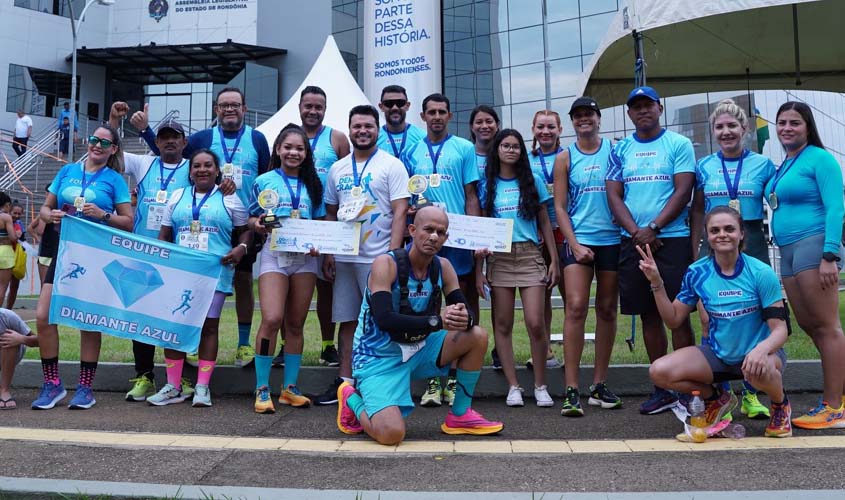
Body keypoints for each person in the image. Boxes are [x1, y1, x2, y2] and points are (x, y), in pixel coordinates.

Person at [336, 205, 503, 443]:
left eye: (441, 232)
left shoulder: (443, 267)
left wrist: (465, 318)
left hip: (418, 350)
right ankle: (351, 397)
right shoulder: (386, 264)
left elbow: (466, 314)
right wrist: (438, 321)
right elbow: (385, 319)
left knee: (476, 335)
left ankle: (460, 414)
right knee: (391, 434)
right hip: (378, 358)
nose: (434, 237)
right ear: (412, 230)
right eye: (428, 230)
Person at [138, 87, 271, 368]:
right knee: (197, 286)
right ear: (216, 110)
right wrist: (146, 131)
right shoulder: (202, 138)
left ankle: (243, 344)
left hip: (240, 221)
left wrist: (261, 217)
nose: (230, 109)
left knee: (243, 282)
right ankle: (196, 342)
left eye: (235, 104)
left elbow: (265, 179)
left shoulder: (257, 139)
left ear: (244, 109)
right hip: (206, 221)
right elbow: (170, 153)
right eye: (224, 105)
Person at [643, 206, 792, 438]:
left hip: (760, 357)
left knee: (758, 371)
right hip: (719, 355)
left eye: (729, 229)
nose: (722, 234)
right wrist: (656, 282)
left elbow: (780, 331)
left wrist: (761, 350)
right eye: (715, 230)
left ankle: (780, 405)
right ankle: (716, 398)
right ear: (708, 236)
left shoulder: (761, 272)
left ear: (742, 233)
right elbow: (673, 320)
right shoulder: (697, 272)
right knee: (659, 371)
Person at [605, 86, 696, 415]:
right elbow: (614, 195)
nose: (643, 111)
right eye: (636, 107)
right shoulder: (621, 149)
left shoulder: (679, 144)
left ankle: (687, 386)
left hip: (670, 239)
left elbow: (683, 189)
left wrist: (654, 227)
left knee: (678, 315)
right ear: (629, 113)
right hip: (634, 242)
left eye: (648, 105)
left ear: (660, 108)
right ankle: (663, 388)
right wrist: (636, 233)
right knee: (648, 314)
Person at [31, 124, 133, 410]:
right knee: (43, 315)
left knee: (87, 321)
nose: (97, 145)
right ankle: (53, 384)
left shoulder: (114, 179)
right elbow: (44, 208)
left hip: (96, 256)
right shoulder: (67, 171)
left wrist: (103, 214)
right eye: (93, 140)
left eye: (104, 143)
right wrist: (50, 216)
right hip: (64, 253)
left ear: (113, 149)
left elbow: (128, 221)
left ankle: (85, 388)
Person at [689, 99, 777, 420]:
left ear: (744, 129)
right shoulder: (704, 166)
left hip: (750, 241)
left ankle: (752, 391)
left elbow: (778, 203)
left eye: (732, 126)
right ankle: (722, 393)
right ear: (713, 132)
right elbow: (697, 209)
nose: (726, 132)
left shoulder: (764, 166)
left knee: (753, 318)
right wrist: (695, 246)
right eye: (719, 127)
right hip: (714, 243)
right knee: (709, 317)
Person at [317, 105, 410, 405]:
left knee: (382, 321)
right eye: (357, 126)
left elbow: (400, 211)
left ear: (377, 129)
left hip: (378, 258)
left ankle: (381, 383)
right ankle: (345, 384)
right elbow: (330, 212)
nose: (362, 131)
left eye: (368, 126)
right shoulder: (337, 168)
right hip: (345, 259)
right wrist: (329, 253)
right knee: (347, 321)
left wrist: (394, 255)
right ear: (350, 128)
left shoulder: (391, 165)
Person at [764, 101, 845, 430]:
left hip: (814, 246)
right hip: (789, 250)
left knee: (827, 327)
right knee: (811, 326)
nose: (786, 128)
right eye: (781, 122)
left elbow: (836, 206)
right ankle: (836, 396)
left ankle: (834, 407)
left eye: (794, 122)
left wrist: (829, 255)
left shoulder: (820, 158)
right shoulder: (785, 163)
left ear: (807, 126)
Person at [148, 149, 250, 407]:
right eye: (197, 166)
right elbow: (165, 235)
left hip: (214, 273)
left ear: (217, 170)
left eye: (208, 165)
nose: (202, 170)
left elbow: (245, 231)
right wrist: (163, 264)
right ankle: (173, 385)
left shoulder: (230, 199)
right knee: (173, 328)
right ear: (190, 171)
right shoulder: (177, 197)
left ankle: (203, 387)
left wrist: (241, 249)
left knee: (209, 327)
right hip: (180, 273)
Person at [109, 102, 195, 402]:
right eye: (164, 137)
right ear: (156, 142)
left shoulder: (194, 167)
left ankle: (179, 377)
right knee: (141, 315)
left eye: (176, 137)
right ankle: (145, 376)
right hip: (143, 250)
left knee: (176, 316)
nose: (170, 141)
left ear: (184, 142)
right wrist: (114, 120)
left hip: (177, 254)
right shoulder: (144, 163)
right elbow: (113, 154)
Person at [402, 93, 481, 407]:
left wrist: (474, 237)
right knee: (430, 307)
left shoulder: (464, 148)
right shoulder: (411, 150)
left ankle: (455, 380)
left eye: (442, 112)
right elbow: (408, 197)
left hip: (457, 240)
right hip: (426, 239)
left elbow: (471, 194)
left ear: (450, 116)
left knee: (461, 306)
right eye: (431, 112)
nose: (436, 117)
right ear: (423, 116)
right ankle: (433, 382)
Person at [476, 129, 559, 407]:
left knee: (536, 322)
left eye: (515, 146)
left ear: (521, 151)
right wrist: (480, 268)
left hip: (529, 255)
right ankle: (513, 386)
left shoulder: (532, 179)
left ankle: (540, 385)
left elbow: (545, 222)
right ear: (497, 149)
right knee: (503, 323)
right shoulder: (488, 184)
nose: (510, 150)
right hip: (499, 258)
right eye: (505, 145)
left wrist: (554, 261)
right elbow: (483, 227)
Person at [553, 97, 622, 416]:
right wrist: (574, 244)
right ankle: (571, 389)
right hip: (579, 241)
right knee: (576, 307)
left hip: (611, 239)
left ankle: (599, 384)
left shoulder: (615, 149)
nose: (584, 120)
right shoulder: (565, 157)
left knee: (607, 309)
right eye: (578, 116)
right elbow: (560, 207)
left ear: (598, 118)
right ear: (572, 122)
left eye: (589, 115)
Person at [249, 125, 324, 414]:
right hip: (274, 255)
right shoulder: (263, 181)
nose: (293, 152)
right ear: (278, 149)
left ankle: (290, 388)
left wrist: (321, 246)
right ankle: (262, 387)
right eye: (288, 147)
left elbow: (320, 224)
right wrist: (258, 226)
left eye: (300, 148)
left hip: (305, 259)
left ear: (307, 154)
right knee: (272, 318)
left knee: (295, 323)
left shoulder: (314, 184)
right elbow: (251, 220)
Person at [288, 86, 351, 370]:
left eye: (318, 107)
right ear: (299, 107)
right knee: (290, 288)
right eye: (308, 106)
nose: (312, 111)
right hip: (295, 220)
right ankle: (284, 345)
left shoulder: (337, 139)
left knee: (328, 286)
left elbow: (350, 174)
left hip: (326, 220)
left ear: (325, 109)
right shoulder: (289, 136)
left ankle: (328, 345)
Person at [528, 110, 565, 370]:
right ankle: (545, 351)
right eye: (540, 126)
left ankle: (570, 349)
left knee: (572, 297)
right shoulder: (526, 160)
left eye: (551, 126)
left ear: (560, 129)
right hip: (538, 233)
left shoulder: (569, 156)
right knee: (542, 295)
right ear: (533, 129)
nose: (546, 131)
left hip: (567, 230)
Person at [468, 105, 501, 369]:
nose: (484, 126)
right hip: (475, 229)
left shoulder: (504, 155)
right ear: (471, 127)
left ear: (497, 125)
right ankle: (471, 347)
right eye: (479, 122)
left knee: (502, 292)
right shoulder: (466, 154)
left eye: (489, 121)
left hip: (502, 229)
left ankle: (502, 350)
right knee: (474, 290)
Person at [0, 308, 39, 410]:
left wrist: (21, 339)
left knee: (9, 338)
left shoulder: (7, 316)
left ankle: (4, 390)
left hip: (5, 355)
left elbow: (40, 341)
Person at [377, 84, 426, 159]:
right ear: (381, 107)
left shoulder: (422, 137)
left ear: (407, 105)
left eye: (400, 103)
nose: (395, 108)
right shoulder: (374, 139)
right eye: (389, 103)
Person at [0, 194, 19, 308]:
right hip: (4, 251)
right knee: (2, 286)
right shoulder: (6, 217)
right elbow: (12, 237)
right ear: (7, 205)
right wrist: (17, 235)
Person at [5, 202, 24, 309]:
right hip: (5, 256)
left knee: (14, 285)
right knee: (3, 285)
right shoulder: (4, 221)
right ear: (9, 211)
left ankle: (9, 309)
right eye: (14, 213)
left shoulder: (19, 223)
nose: (16, 216)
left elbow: (21, 237)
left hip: (16, 257)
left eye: (19, 213)